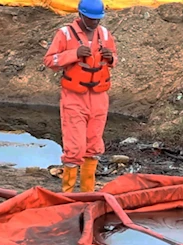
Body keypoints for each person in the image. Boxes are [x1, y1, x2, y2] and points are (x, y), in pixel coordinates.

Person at [43, 0, 117, 193]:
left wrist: (111, 58)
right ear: (81, 15)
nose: (95, 23)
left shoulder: (106, 34)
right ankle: (67, 194)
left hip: (99, 97)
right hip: (74, 97)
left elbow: (114, 59)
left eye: (97, 19)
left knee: (93, 146)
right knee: (74, 148)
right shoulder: (65, 34)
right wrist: (74, 54)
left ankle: (87, 193)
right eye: (91, 19)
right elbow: (50, 60)